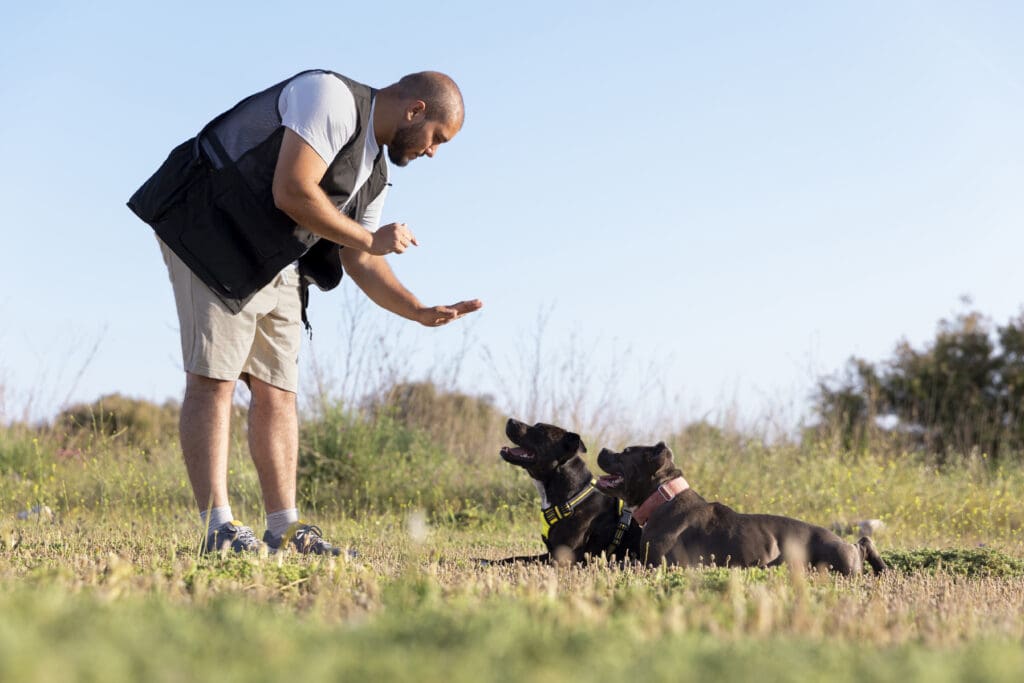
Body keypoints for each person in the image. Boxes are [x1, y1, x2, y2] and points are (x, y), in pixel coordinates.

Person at [128, 69, 482, 555]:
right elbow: (293, 190)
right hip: (211, 230)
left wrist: (417, 310)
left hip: (275, 257)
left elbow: (360, 258)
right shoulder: (330, 98)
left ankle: (285, 531)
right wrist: (368, 238)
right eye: (437, 138)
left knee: (278, 392)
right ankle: (219, 528)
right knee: (215, 379)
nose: (433, 151)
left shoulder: (376, 175)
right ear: (415, 110)